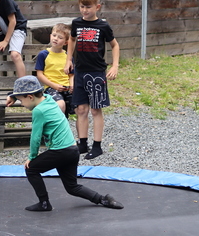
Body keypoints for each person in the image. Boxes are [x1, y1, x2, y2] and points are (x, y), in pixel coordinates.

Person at [8, 75, 123, 212]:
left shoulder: (38, 111)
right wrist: (13, 96)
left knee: (31, 169)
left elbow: (35, 137)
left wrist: (32, 157)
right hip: (72, 150)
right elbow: (35, 95)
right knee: (72, 187)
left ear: (30, 97)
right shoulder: (48, 99)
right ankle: (103, 199)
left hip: (60, 152)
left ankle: (44, 203)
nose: (21, 104)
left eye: (21, 100)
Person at [64, 0, 120, 160]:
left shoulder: (103, 26)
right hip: (80, 72)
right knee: (81, 109)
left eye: (88, 7)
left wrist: (115, 66)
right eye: (82, 6)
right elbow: (71, 39)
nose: (84, 10)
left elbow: (114, 45)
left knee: (95, 110)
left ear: (97, 7)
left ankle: (97, 146)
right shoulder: (76, 23)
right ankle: (82, 143)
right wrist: (68, 60)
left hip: (96, 73)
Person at [34, 23, 73, 114]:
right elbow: (39, 74)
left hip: (67, 87)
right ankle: (58, 123)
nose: (56, 38)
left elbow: (71, 75)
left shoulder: (68, 56)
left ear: (66, 42)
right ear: (50, 36)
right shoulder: (44, 54)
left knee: (81, 106)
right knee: (60, 105)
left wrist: (72, 85)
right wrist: (53, 85)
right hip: (51, 87)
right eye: (54, 35)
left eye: (60, 37)